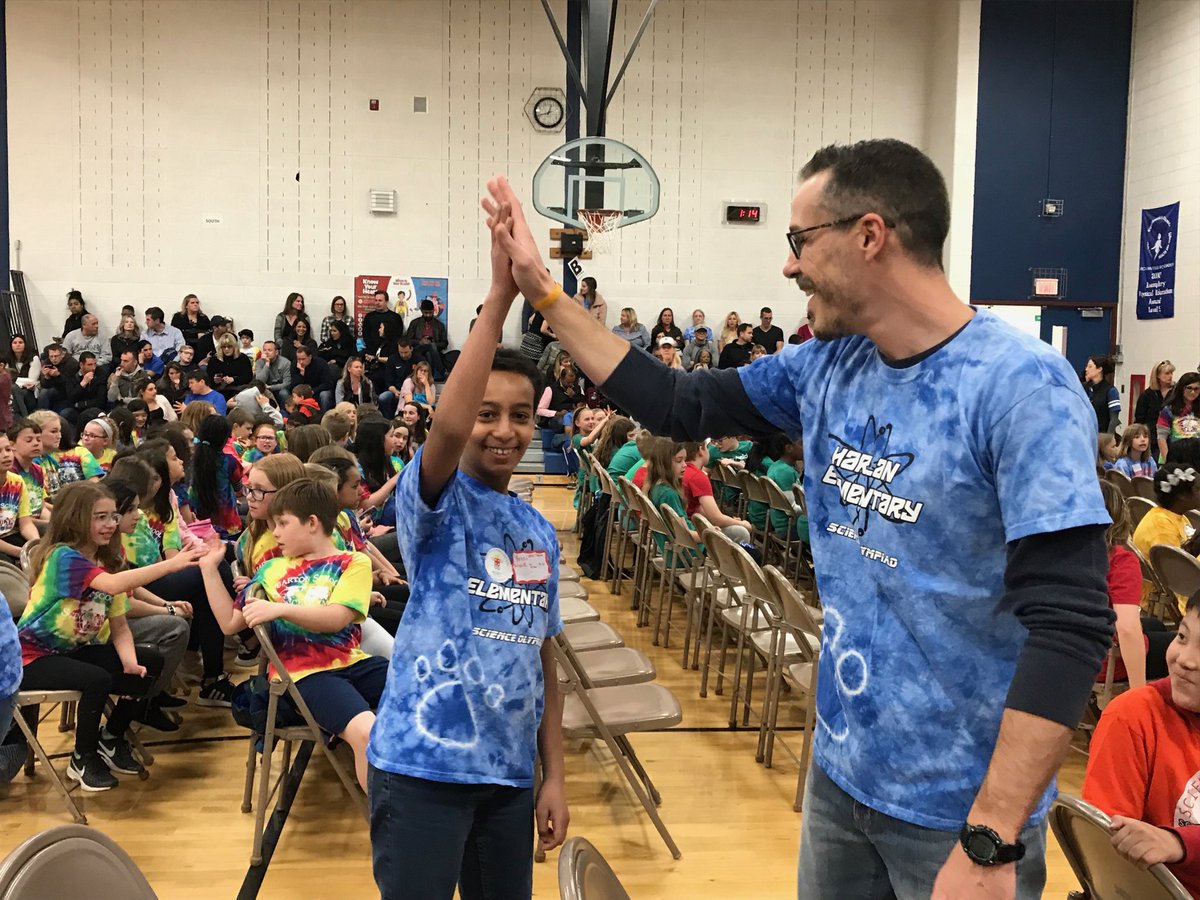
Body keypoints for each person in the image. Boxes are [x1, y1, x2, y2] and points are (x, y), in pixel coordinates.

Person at [484, 136, 1114, 897]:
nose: (788, 265)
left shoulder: (1020, 388)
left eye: (800, 241)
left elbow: (1071, 626)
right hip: (841, 781)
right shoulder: (826, 365)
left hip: (957, 814)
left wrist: (991, 838)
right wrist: (545, 294)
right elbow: (679, 402)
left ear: (870, 235)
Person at [366, 218, 567, 897]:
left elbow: (543, 656)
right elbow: (446, 426)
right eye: (488, 413)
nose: (503, 430)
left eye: (518, 416)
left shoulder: (538, 530)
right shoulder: (437, 501)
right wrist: (499, 297)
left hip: (508, 779)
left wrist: (554, 776)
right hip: (424, 771)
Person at [200, 477, 387, 788]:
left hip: (354, 663)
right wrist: (208, 569)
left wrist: (280, 609)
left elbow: (337, 618)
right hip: (303, 676)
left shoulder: (352, 562)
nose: (275, 532)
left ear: (311, 523)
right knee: (367, 733)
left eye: (283, 523)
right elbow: (229, 625)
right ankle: (389, 828)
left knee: (429, 696)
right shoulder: (272, 570)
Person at [17, 482, 204, 790]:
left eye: (113, 516)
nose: (110, 524)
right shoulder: (64, 558)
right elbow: (114, 586)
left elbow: (119, 626)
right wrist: (171, 565)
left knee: (149, 662)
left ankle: (111, 737)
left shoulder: (106, 562)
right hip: (33, 657)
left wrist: (131, 663)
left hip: (72, 651)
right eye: (99, 517)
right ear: (75, 519)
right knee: (96, 679)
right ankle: (82, 758)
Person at [1082, 589, 1200, 897]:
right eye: (1183, 637)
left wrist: (1179, 843)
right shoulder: (1133, 716)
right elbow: (1108, 855)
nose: (1185, 660)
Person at [1133, 464, 1200, 617]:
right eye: (1198, 490)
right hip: (1163, 600)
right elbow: (1177, 579)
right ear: (1182, 496)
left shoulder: (1176, 516)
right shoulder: (1160, 527)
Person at [190, 416, 244, 539]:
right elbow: (238, 488)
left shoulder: (192, 460)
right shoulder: (230, 462)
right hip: (228, 524)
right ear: (225, 439)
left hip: (198, 525)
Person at [28, 411, 103, 499]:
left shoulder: (50, 460)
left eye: (60, 431)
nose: (59, 436)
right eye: (53, 431)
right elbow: (41, 503)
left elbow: (95, 483)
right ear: (37, 433)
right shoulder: (31, 464)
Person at [0, 433, 39, 559]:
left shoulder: (17, 481)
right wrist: (21, 553)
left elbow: (26, 524)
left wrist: (36, 544)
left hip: (11, 535)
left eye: (8, 449)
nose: (6, 455)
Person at [8, 419, 50, 523]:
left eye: (39, 440)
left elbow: (41, 508)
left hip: (36, 521)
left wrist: (54, 522)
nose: (36, 443)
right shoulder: (10, 471)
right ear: (12, 445)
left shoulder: (38, 469)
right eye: (29, 440)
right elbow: (17, 517)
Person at [1134, 360, 1175, 458]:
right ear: (1158, 375)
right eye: (1167, 373)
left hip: (1172, 437)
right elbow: (1140, 419)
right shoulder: (1147, 395)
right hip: (1152, 438)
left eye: (1171, 373)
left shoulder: (1175, 393)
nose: (1170, 376)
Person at [1157, 371, 1200, 462]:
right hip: (1174, 457)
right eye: (1189, 388)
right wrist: (1167, 460)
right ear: (1182, 388)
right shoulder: (1168, 410)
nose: (1193, 392)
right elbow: (1161, 437)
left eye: (1196, 389)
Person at [404, 300, 450, 379]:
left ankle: (428, 378)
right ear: (421, 311)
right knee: (430, 347)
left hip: (434, 351)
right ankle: (442, 372)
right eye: (426, 313)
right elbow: (408, 341)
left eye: (430, 312)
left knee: (429, 351)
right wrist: (420, 342)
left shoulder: (439, 325)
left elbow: (445, 343)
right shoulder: (414, 323)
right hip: (418, 350)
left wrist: (433, 344)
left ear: (433, 311)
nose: (428, 315)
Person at [362, 290, 405, 375]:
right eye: (376, 300)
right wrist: (373, 351)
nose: (377, 303)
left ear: (386, 301)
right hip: (372, 350)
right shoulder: (369, 317)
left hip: (390, 351)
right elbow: (365, 335)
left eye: (380, 300)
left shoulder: (395, 317)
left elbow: (398, 335)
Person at [63, 352, 107, 423]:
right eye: (89, 365)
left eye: (95, 364)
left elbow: (101, 400)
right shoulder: (72, 374)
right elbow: (71, 397)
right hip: (77, 410)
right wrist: (83, 383)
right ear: (81, 365)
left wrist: (81, 404)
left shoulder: (100, 373)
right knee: (65, 413)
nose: (93, 368)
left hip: (94, 408)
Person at [3, 334, 41, 416]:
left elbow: (33, 381)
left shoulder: (33, 358)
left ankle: (24, 416)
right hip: (16, 390)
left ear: (25, 344)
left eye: (20, 342)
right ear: (11, 345)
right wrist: (22, 383)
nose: (18, 345)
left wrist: (15, 380)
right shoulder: (8, 358)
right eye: (15, 343)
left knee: (14, 389)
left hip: (32, 392)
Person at [1083, 354, 1121, 434]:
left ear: (1099, 369)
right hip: (1084, 434)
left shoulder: (1111, 391)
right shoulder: (1082, 388)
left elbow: (1113, 419)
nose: (1086, 369)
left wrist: (1108, 439)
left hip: (1101, 435)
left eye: (1090, 367)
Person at [292, 345, 337, 412]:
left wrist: (313, 391)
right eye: (299, 359)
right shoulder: (295, 365)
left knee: (324, 395)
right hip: (303, 392)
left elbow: (328, 383)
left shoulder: (320, 363)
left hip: (319, 390)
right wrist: (301, 374)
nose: (301, 362)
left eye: (303, 359)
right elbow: (294, 386)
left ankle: (323, 417)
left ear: (310, 357)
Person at [208, 334, 253, 399]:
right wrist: (214, 380)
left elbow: (248, 377)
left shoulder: (242, 358)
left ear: (234, 347)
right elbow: (208, 377)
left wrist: (233, 380)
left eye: (229, 346)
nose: (226, 349)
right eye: (224, 347)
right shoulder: (214, 359)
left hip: (238, 389)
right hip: (219, 389)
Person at [254, 340, 293, 408]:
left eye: (270, 350)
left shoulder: (286, 363)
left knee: (284, 393)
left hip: (279, 389)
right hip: (265, 390)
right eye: (265, 350)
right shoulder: (259, 362)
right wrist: (267, 364)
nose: (266, 352)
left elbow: (287, 383)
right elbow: (259, 381)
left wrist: (271, 387)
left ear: (276, 352)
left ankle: (283, 413)